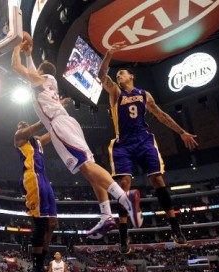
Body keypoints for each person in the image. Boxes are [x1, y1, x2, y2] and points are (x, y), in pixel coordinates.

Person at [12, 33, 143, 237]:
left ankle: (125, 199)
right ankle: (106, 215)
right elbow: (30, 70)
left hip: (59, 125)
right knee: (87, 170)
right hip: (66, 123)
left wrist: (15, 46)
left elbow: (17, 69)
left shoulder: (42, 80)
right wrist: (29, 54)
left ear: (40, 72)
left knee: (87, 167)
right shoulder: (46, 81)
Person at [98, 42, 199, 254]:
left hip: (143, 140)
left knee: (157, 179)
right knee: (123, 183)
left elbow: (161, 115)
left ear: (131, 76)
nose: (119, 76)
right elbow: (101, 75)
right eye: (117, 75)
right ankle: (124, 235)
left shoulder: (145, 95)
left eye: (122, 74)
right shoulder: (116, 93)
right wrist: (108, 54)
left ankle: (176, 228)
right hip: (123, 143)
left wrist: (181, 132)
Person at [14, 120, 57, 272]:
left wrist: (59, 114)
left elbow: (53, 133)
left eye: (25, 123)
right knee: (40, 224)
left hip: (44, 178)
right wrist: (46, 117)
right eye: (21, 124)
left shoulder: (37, 140)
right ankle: (36, 270)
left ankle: (39, 268)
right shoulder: (19, 137)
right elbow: (36, 127)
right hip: (32, 178)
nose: (23, 124)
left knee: (52, 223)